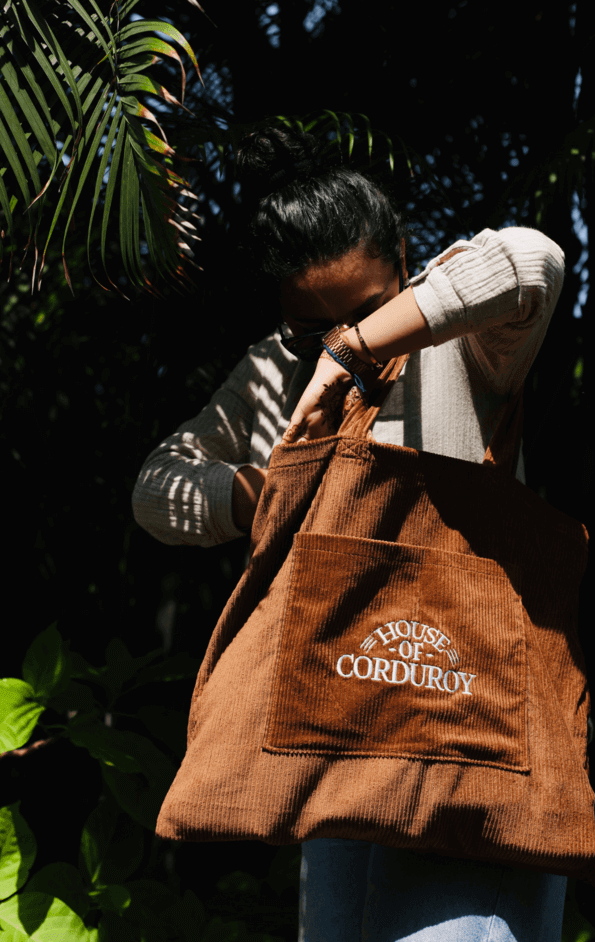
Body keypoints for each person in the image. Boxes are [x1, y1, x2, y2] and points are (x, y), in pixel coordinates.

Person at [132, 123, 568, 942]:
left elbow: (531, 260)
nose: (330, 345)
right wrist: (262, 493)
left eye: (362, 312)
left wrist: (356, 354)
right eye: (312, 330)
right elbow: (155, 489)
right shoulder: (271, 373)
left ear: (404, 260)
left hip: (464, 727)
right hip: (336, 733)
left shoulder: (464, 343)